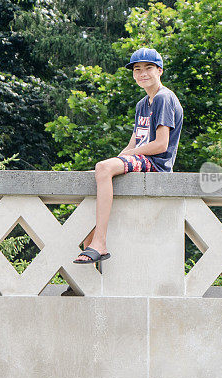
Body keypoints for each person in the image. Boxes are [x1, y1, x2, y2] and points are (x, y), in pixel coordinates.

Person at [73, 47, 183, 268]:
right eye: (137, 69)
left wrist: (123, 158)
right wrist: (119, 158)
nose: (142, 73)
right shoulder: (142, 104)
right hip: (142, 160)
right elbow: (135, 141)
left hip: (156, 164)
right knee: (98, 172)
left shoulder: (164, 98)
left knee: (103, 168)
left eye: (148, 68)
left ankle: (100, 242)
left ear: (159, 70)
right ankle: (91, 240)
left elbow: (161, 144)